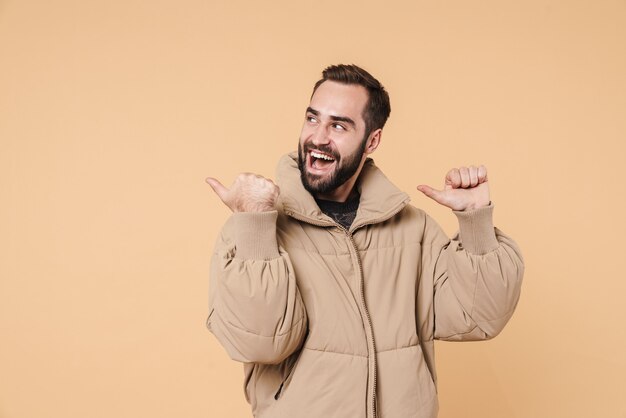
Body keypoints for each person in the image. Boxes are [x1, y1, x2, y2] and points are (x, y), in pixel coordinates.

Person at [205, 64, 524, 418]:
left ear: (371, 141)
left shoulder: (412, 229)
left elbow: (479, 317)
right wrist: (255, 228)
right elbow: (259, 341)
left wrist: (476, 222)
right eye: (312, 119)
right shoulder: (255, 228)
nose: (318, 137)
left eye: (338, 125)